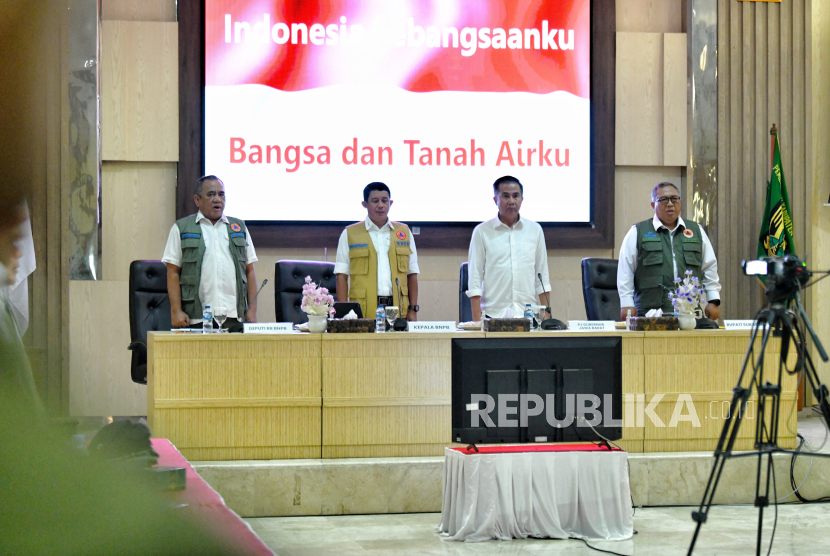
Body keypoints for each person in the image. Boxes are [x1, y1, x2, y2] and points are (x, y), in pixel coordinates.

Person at [162, 175, 258, 328]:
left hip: (234, 317)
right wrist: (176, 310)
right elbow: (172, 272)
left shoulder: (239, 228)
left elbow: (250, 271)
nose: (217, 199)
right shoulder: (182, 228)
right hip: (196, 318)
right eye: (211, 194)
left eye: (221, 194)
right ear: (197, 200)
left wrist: (252, 310)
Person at [617, 182, 721, 321]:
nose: (670, 204)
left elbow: (709, 267)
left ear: (680, 202)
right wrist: (626, 304)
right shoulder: (638, 232)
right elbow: (626, 271)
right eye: (663, 200)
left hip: (690, 314)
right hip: (651, 315)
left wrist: (713, 300)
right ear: (653, 205)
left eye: (674, 199)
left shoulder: (696, 231)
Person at [466, 175, 552, 321]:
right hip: (493, 316)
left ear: (522, 199)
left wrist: (547, 317)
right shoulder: (482, 232)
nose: (511, 201)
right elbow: (475, 278)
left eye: (515, 196)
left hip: (529, 316)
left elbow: (542, 276)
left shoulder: (535, 230)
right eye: (506, 196)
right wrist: (476, 321)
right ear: (495, 200)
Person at [335, 182, 420, 321]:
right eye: (375, 201)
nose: (381, 205)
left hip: (398, 310)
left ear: (390, 203)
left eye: (384, 201)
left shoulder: (404, 232)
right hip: (363, 311)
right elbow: (341, 277)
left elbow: (412, 274)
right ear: (365, 204)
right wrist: (344, 313)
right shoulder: (350, 234)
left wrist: (413, 309)